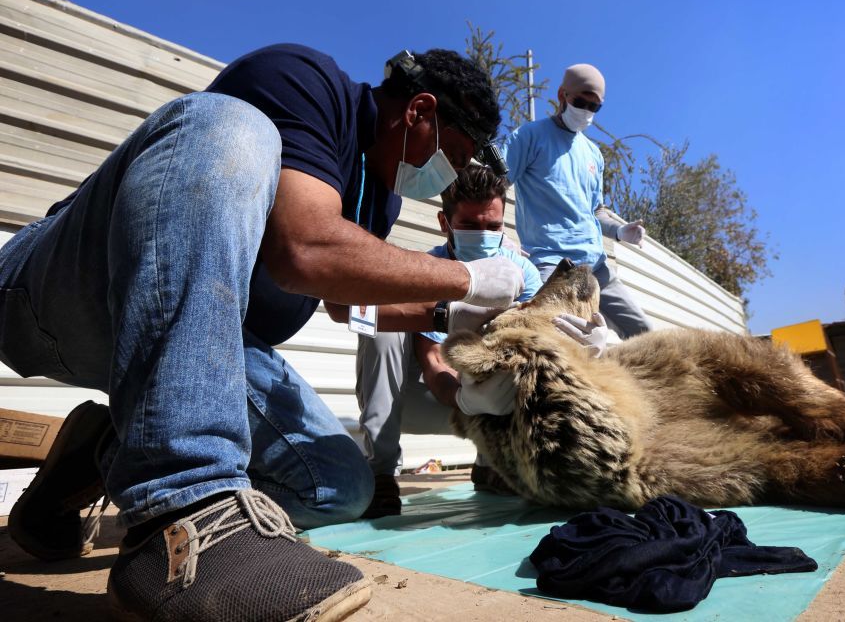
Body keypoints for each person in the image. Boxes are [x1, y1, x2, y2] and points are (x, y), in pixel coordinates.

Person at [0, 43, 525, 621]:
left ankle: (103, 451)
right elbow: (301, 248)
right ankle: (180, 510)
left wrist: (451, 316)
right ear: (420, 113)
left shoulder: (378, 195)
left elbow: (344, 306)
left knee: (340, 487)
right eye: (452, 154)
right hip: (58, 298)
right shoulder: (305, 83)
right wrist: (466, 278)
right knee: (225, 125)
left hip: (198, 351)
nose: (446, 174)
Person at [349, 164, 543, 517]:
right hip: (428, 399)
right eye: (470, 225)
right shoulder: (426, 270)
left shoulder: (522, 272)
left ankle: (492, 463)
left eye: (493, 226)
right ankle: (380, 474)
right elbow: (434, 362)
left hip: (494, 407)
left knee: (529, 348)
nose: (483, 234)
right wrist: (466, 399)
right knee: (379, 324)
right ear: (445, 223)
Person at [503, 63, 655, 337]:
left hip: (597, 267)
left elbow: (596, 210)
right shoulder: (529, 136)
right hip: (552, 264)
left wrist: (620, 231)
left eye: (594, 106)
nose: (586, 111)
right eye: (581, 101)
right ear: (562, 95)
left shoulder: (594, 154)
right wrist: (498, 234)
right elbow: (493, 185)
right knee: (551, 338)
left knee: (644, 333)